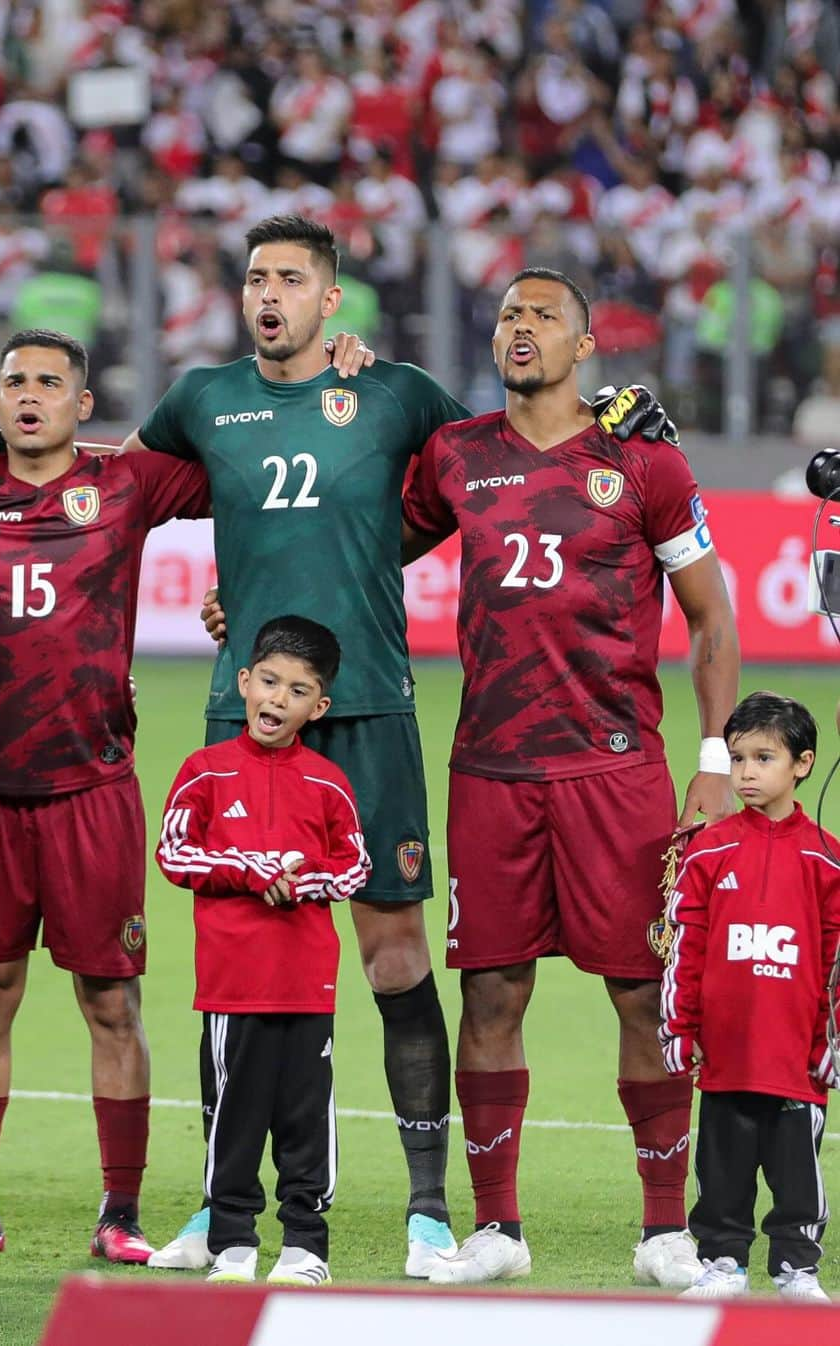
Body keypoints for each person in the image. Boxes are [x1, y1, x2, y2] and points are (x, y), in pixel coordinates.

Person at [0, 217, 678, 1278]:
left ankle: (424, 1208)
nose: (268, 292)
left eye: (291, 278)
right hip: (243, 712)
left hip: (370, 704)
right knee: (235, 963)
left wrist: (613, 412)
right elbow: (87, 504)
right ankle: (219, 1209)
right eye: (256, 277)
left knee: (397, 956)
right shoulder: (200, 400)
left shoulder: (399, 394)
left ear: (332, 302)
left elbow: (517, 449)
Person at [401, 267, 740, 1289]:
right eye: (509, 313)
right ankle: (497, 1231)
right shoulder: (456, 454)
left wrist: (715, 762)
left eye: (546, 316)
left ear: (585, 345)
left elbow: (713, 618)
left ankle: (663, 1232)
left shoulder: (643, 460)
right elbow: (367, 548)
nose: (523, 328)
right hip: (493, 769)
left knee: (645, 995)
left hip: (617, 771)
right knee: (491, 992)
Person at [0, 329, 211, 1264]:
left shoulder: (128, 482)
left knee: (111, 1003)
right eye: (13, 382)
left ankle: (121, 1214)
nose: (29, 395)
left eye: (49, 382)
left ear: (85, 404)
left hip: (93, 786)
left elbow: (239, 455)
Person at [156, 615, 370, 1287]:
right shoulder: (204, 774)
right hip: (232, 985)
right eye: (269, 682)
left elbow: (355, 867)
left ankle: (306, 1244)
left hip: (307, 983)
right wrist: (246, 871)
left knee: (307, 1116)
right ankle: (234, 1241)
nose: (278, 700)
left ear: (319, 705)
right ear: (244, 683)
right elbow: (172, 852)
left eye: (297, 690)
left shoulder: (329, 783)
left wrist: (304, 881)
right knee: (235, 1117)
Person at [660, 692, 839, 1302]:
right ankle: (722, 1262)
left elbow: (836, 966)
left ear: (803, 764)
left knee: (797, 1175)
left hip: (794, 1056)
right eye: (737, 759)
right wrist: (680, 1029)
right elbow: (687, 946)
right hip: (726, 1053)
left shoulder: (827, 860)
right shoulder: (709, 851)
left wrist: (831, 1042)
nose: (746, 773)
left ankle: (797, 1268)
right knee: (722, 1171)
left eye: (764, 757)